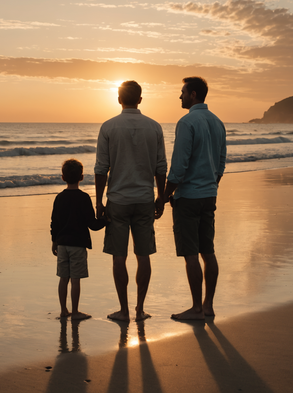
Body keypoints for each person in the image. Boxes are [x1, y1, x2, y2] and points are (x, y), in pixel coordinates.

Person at [95, 80, 167, 322]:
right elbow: (160, 168)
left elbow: (101, 169)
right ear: (140, 99)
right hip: (145, 198)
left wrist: (98, 202)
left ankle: (124, 310)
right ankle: (139, 309)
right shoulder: (154, 127)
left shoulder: (108, 127)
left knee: (119, 255)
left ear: (118, 99)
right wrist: (161, 197)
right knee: (143, 254)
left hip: (118, 198)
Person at [163, 76, 226, 320]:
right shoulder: (218, 123)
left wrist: (166, 195)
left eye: (182, 92)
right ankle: (208, 305)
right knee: (207, 251)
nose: (179, 96)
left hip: (189, 196)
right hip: (209, 194)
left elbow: (179, 165)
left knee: (191, 254)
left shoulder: (187, 122)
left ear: (193, 95)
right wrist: (211, 185)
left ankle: (196, 308)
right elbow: (220, 163)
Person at [51, 159, 105, 320]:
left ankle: (63, 310)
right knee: (75, 280)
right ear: (81, 177)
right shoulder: (84, 198)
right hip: (78, 245)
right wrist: (106, 219)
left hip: (62, 244)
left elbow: (54, 222)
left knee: (63, 278)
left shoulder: (59, 198)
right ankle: (75, 312)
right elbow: (92, 224)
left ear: (63, 177)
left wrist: (54, 240)